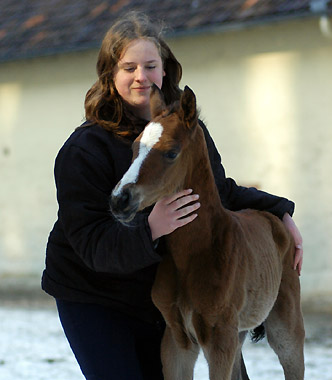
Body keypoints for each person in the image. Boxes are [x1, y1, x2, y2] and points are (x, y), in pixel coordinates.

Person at [41, 11, 303, 380]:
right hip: (94, 293)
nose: (140, 77)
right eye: (128, 67)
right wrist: (151, 227)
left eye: (150, 65)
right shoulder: (85, 149)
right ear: (110, 74)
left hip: (157, 289)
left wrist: (281, 212)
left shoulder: (184, 130)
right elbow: (92, 243)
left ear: (165, 70)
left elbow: (218, 191)